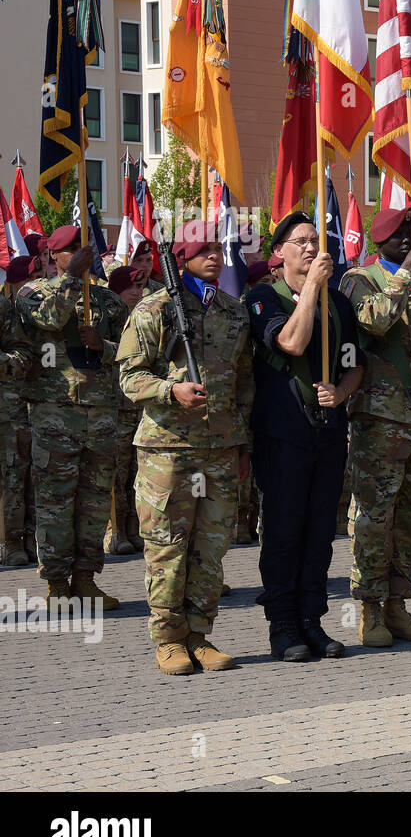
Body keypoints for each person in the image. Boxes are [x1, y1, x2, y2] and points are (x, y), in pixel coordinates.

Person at [117, 224, 253, 674]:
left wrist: (241, 443)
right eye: (204, 250)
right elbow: (130, 377)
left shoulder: (234, 311)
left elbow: (243, 383)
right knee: (167, 545)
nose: (215, 256)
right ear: (183, 257)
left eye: (218, 249)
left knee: (211, 548)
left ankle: (200, 633)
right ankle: (168, 639)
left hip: (220, 447)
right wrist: (169, 391)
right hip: (168, 449)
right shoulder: (155, 308)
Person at [245, 212, 363, 660]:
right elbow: (291, 343)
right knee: (284, 530)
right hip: (281, 433)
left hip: (328, 432)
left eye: (317, 240)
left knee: (319, 532)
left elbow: (355, 365)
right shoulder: (263, 299)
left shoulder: (340, 304)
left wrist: (342, 390)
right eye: (301, 241)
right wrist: (312, 286)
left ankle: (312, 620)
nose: (312, 248)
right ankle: (283, 626)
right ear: (280, 252)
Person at [337, 207, 411, 646]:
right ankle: (368, 610)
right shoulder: (359, 280)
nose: (407, 239)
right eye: (397, 233)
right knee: (374, 516)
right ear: (378, 239)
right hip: (380, 419)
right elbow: (372, 321)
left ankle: (398, 604)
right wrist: (405, 273)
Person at [17, 225, 128, 609]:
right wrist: (69, 278)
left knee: (95, 501)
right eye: (71, 251)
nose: (83, 256)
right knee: (55, 502)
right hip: (55, 414)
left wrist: (105, 346)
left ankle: (85, 579)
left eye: (86, 250)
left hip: (100, 415)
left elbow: (133, 351)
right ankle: (56, 584)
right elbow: (48, 319)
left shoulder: (109, 301)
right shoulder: (33, 294)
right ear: (53, 256)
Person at [104, 266, 150, 555]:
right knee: (117, 471)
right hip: (115, 406)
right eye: (130, 287)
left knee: (137, 471)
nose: (136, 292)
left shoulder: (145, 316)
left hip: (138, 405)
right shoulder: (109, 316)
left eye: (140, 286)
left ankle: (135, 529)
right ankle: (116, 531)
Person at [0, 257, 35, 567]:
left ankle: (14, 543)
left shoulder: (3, 308)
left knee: (14, 476)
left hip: (7, 411)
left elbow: (22, 353)